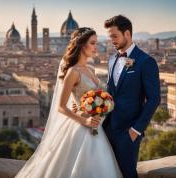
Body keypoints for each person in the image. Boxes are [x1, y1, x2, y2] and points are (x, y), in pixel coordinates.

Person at [15, 27, 122, 178]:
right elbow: (60, 106)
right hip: (81, 127)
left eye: (96, 42)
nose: (96, 47)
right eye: (92, 43)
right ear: (81, 45)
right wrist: (85, 120)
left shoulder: (90, 69)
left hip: (96, 127)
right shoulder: (73, 72)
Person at [103, 15, 161, 178]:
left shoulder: (145, 61)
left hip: (128, 132)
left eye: (115, 36)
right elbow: (112, 92)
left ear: (127, 34)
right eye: (110, 37)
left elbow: (154, 99)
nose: (112, 40)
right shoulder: (112, 59)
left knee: (128, 174)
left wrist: (135, 131)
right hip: (107, 129)